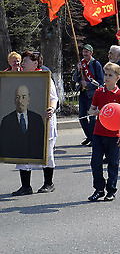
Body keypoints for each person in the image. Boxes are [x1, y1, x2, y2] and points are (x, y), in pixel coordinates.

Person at [9, 51, 58, 196]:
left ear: (35, 63)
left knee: (46, 151)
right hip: (24, 119)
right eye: (22, 60)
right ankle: (25, 186)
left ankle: (48, 183)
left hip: (43, 119)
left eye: (26, 60)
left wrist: (52, 108)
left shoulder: (45, 78)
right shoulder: (19, 78)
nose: (23, 63)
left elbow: (53, 97)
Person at [87, 62, 120, 201]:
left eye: (110, 75)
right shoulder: (99, 92)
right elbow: (91, 110)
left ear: (118, 78)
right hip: (98, 133)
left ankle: (111, 190)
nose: (107, 77)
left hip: (113, 134)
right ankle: (99, 189)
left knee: (113, 163)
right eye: (105, 74)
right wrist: (95, 112)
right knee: (95, 162)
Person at [0, 85, 44, 159]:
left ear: (28, 100)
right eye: (18, 97)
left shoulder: (37, 119)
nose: (20, 101)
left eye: (24, 97)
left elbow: (41, 143)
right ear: (14, 100)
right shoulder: (6, 121)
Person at [72, 44, 104, 146]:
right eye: (83, 52)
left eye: (87, 52)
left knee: (92, 118)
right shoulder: (81, 64)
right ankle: (89, 136)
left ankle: (94, 138)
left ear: (91, 53)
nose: (84, 54)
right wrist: (78, 70)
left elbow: (100, 82)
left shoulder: (96, 64)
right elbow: (75, 79)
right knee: (82, 117)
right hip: (83, 94)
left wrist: (88, 84)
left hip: (92, 94)